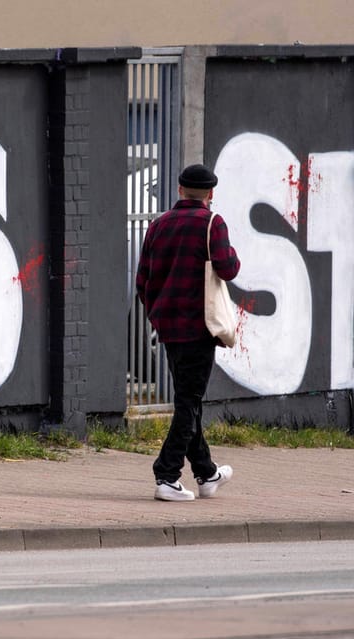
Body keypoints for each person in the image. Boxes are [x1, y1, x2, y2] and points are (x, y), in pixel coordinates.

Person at [134, 163, 241, 501]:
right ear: (211, 194)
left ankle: (206, 474)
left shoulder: (158, 225)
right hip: (200, 326)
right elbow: (228, 268)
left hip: (169, 327)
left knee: (188, 400)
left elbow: (142, 281)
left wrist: (156, 314)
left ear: (179, 190)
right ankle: (166, 476)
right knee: (188, 402)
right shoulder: (212, 223)